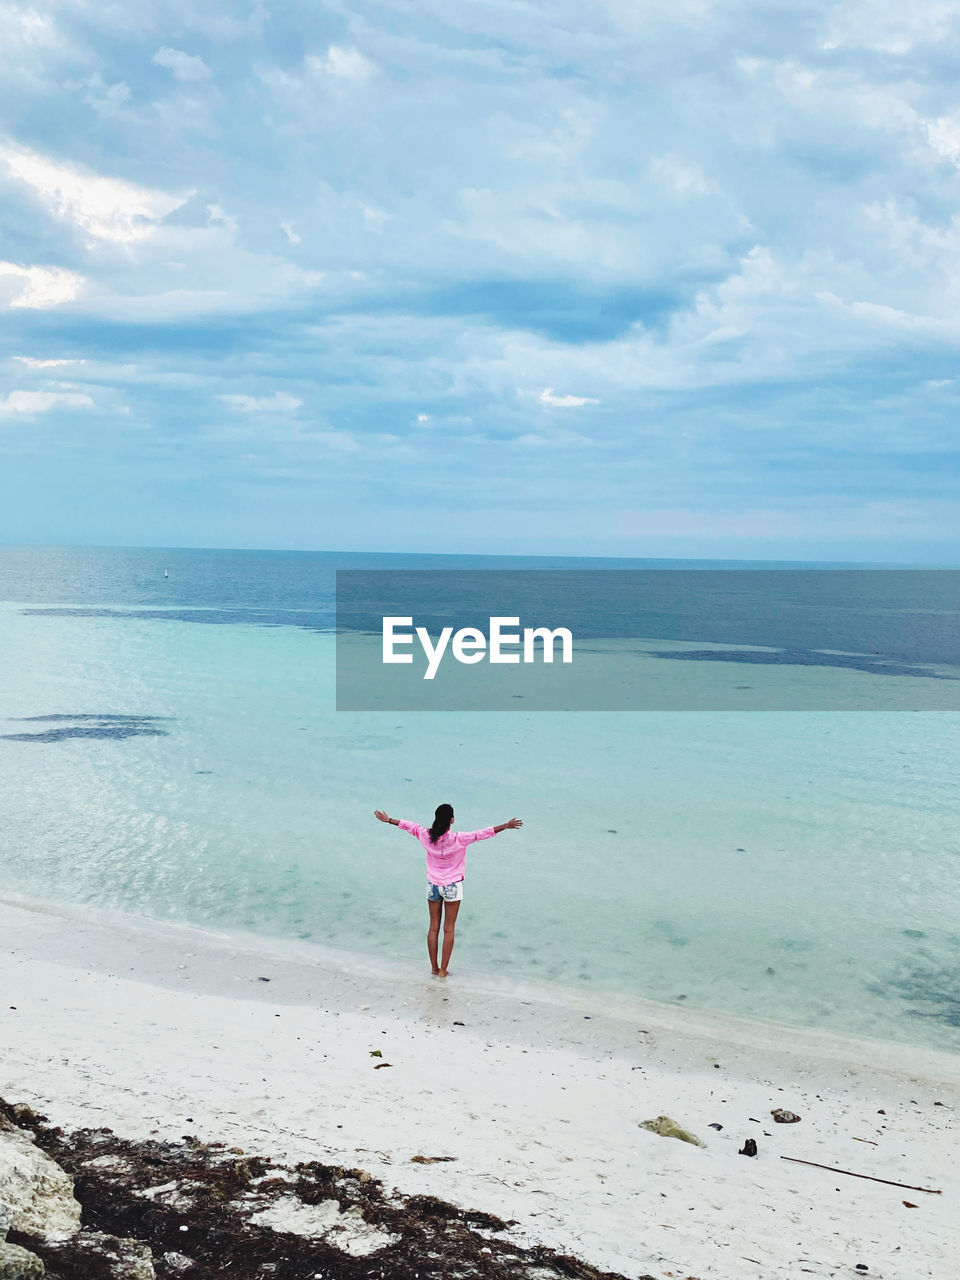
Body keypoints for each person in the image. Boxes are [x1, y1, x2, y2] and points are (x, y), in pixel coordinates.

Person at [374, 804, 523, 977]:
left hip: (433, 886)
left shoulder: (425, 835)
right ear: (452, 820)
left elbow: (410, 826)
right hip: (452, 886)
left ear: (436, 818)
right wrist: (505, 825)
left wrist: (389, 820)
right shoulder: (459, 838)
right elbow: (482, 833)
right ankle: (443, 971)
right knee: (449, 929)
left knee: (433, 928)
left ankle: (434, 968)